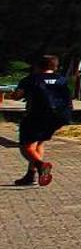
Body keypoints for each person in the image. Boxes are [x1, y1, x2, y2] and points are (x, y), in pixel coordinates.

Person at [6, 56, 70, 187]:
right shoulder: (62, 80)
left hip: (36, 116)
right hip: (58, 117)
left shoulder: (30, 80)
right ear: (55, 67)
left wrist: (11, 95)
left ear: (37, 66)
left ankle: (41, 166)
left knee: (26, 147)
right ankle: (31, 176)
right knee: (38, 144)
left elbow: (17, 96)